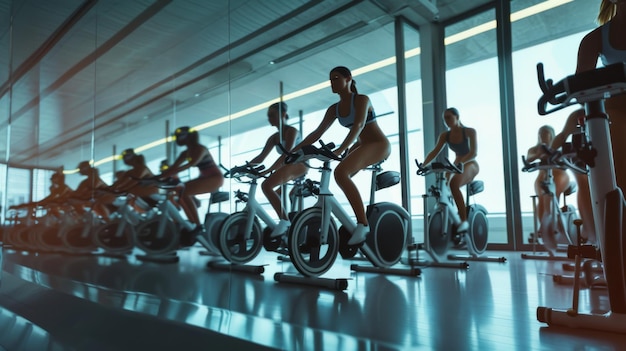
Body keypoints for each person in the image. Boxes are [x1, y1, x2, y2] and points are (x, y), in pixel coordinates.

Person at [291, 66, 391, 245]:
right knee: (340, 176)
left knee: (340, 174)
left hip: (378, 145)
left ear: (348, 79)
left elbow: (358, 125)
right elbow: (317, 133)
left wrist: (341, 149)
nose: (332, 83)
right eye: (330, 80)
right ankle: (346, 218)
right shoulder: (334, 109)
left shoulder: (361, 100)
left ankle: (363, 223)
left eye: (336, 78)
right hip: (361, 145)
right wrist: (294, 151)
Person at [249, 102, 307, 237]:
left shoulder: (291, 131)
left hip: (300, 164)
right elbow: (260, 157)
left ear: (282, 115)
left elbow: (288, 154)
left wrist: (269, 170)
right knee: (276, 193)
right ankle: (288, 233)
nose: (269, 118)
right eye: (268, 116)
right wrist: (244, 167)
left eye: (272, 115)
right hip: (287, 165)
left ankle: (284, 220)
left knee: (266, 185)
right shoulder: (274, 137)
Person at [158, 126, 224, 244]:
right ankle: (193, 223)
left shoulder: (200, 149)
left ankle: (197, 225)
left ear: (187, 137)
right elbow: (173, 167)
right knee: (180, 191)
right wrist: (156, 178)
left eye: (179, 136)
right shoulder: (185, 153)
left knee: (184, 190)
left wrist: (165, 175)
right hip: (205, 178)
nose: (177, 139)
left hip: (215, 178)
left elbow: (191, 164)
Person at [420, 107, 479, 233]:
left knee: (453, 184)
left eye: (449, 117)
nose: (446, 121)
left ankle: (463, 221)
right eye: (444, 119)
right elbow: (435, 151)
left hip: (470, 163)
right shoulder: (445, 135)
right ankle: (451, 216)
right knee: (443, 188)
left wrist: (460, 163)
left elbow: (473, 152)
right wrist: (423, 164)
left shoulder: (469, 131)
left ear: (457, 117)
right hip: (456, 165)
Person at [526, 125, 571, 227]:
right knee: (541, 198)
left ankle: (554, 222)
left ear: (552, 136)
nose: (544, 137)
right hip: (543, 177)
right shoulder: (535, 149)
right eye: (541, 135)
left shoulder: (558, 147)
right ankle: (544, 226)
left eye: (546, 135)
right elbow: (529, 158)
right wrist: (538, 155)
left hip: (559, 175)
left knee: (552, 195)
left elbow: (567, 158)